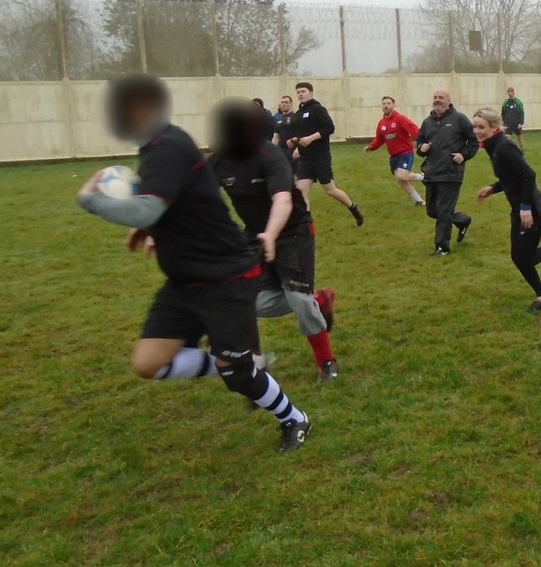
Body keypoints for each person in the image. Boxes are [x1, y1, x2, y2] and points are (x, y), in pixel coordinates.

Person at [76, 74, 312, 452]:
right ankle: (242, 364)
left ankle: (294, 418)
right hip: (184, 283)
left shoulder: (168, 144)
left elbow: (149, 205)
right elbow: (174, 202)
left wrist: (92, 200)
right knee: (148, 363)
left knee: (239, 376)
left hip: (227, 279)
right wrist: (154, 228)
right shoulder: (156, 148)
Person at [208, 98, 341, 382]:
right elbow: (195, 194)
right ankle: (317, 300)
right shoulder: (220, 161)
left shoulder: (270, 156)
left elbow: (282, 200)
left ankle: (326, 362)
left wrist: (270, 233)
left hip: (293, 231)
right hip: (256, 234)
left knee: (298, 299)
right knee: (246, 301)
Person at [473, 107, 541, 311]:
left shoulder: (504, 147)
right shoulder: (493, 146)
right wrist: (493, 188)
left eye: (481, 127)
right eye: (474, 127)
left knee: (524, 258)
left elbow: (528, 175)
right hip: (519, 209)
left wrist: (525, 208)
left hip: (531, 210)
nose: (477, 131)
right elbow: (511, 177)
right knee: (519, 257)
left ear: (494, 127)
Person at [288, 81, 364, 226]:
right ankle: (306, 225)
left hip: (320, 157)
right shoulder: (298, 114)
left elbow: (329, 127)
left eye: (303, 91)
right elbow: (301, 135)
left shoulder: (318, 109)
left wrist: (311, 138)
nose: (300, 94)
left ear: (311, 92)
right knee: (302, 192)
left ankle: (353, 208)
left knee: (330, 190)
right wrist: (296, 144)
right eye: (298, 92)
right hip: (305, 159)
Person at [416, 88, 479, 256]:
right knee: (433, 211)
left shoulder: (459, 119)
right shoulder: (427, 122)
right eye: (435, 97)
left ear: (449, 101)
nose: (437, 100)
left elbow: (474, 142)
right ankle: (462, 220)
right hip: (431, 173)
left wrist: (463, 155)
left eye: (441, 97)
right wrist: (422, 148)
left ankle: (442, 248)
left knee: (443, 211)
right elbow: (419, 144)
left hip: (451, 173)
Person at [364, 96, 425, 206]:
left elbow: (413, 128)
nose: (386, 105)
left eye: (388, 103)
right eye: (384, 104)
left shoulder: (400, 118)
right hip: (394, 156)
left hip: (405, 153)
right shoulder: (381, 123)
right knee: (401, 180)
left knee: (401, 176)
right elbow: (379, 138)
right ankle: (419, 201)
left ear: (393, 105)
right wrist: (371, 147)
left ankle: (423, 177)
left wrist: (422, 140)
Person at [501, 86, 526, 151]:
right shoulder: (505, 102)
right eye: (508, 92)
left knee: (519, 137)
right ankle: (508, 149)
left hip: (517, 123)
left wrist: (521, 123)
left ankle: (522, 149)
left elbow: (521, 113)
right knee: (507, 137)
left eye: (511, 92)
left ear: (513, 93)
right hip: (508, 123)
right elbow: (503, 113)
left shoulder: (518, 102)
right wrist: (503, 121)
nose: (510, 93)